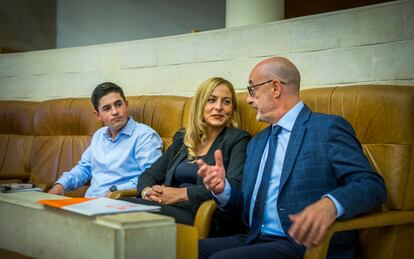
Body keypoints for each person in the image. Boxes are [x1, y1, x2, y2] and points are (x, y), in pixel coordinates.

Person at [197, 57, 387, 259]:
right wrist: (223, 189)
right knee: (179, 247)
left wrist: (330, 204)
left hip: (306, 245)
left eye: (252, 89)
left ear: (275, 88)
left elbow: (372, 185)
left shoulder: (327, 128)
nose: (248, 99)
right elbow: (246, 206)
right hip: (255, 239)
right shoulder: (257, 142)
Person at [123, 77, 251, 225]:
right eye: (212, 100)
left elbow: (234, 186)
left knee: (120, 210)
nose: (219, 107)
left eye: (226, 102)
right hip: (167, 206)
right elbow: (150, 174)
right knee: (113, 207)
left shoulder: (238, 140)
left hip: (202, 215)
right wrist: (147, 192)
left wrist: (181, 194)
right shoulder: (184, 138)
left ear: (232, 110)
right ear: (200, 105)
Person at [48, 82, 163, 198]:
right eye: (107, 108)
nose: (115, 112)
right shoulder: (99, 135)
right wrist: (61, 185)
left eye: (118, 104)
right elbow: (85, 168)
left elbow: (151, 177)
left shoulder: (145, 135)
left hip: (121, 202)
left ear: (126, 104)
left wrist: (116, 191)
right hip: (89, 203)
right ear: (98, 115)